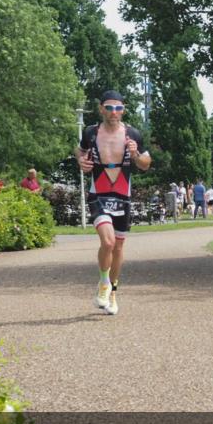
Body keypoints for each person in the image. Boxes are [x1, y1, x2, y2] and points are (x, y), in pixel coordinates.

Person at [76, 90, 151, 315]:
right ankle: (103, 283)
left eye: (118, 108)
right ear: (101, 109)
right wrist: (81, 161)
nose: (113, 112)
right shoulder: (90, 133)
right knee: (107, 242)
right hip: (98, 191)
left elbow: (146, 163)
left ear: (123, 110)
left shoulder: (132, 134)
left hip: (122, 192)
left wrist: (136, 155)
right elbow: (80, 151)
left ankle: (113, 292)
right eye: (109, 107)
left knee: (118, 246)